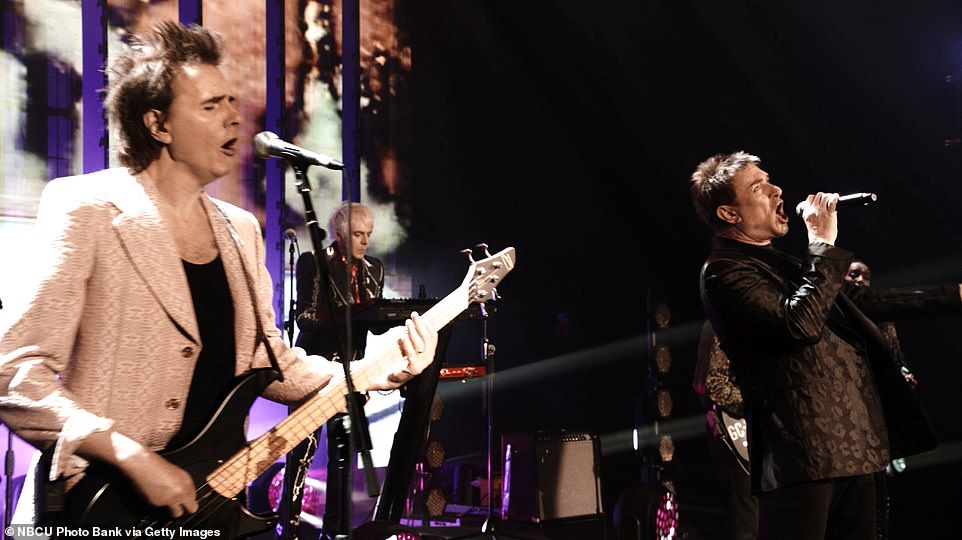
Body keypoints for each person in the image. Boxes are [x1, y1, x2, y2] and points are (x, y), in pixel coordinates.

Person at [0, 21, 436, 535]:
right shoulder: (86, 208)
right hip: (102, 506)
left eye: (232, 101)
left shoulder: (241, 231)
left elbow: (270, 365)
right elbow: (15, 375)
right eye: (211, 106)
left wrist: (373, 372)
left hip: (209, 504)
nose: (235, 117)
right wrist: (129, 454)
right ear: (158, 124)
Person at [689, 151, 961, 540]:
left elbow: (860, 304)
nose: (776, 188)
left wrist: (955, 296)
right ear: (730, 214)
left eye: (769, 179)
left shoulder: (778, 263)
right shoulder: (724, 271)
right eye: (758, 186)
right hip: (802, 455)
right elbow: (798, 324)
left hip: (851, 444)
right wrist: (820, 243)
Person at [292, 201, 384, 538]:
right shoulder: (315, 261)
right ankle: (289, 523)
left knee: (344, 456)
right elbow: (306, 317)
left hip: (352, 372)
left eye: (368, 235)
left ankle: (336, 528)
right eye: (358, 234)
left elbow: (374, 324)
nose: (365, 242)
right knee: (302, 450)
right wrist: (351, 314)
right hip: (315, 370)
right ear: (339, 234)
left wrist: (392, 316)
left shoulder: (374, 267)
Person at [693, 321, 758, 540]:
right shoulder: (722, 321)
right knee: (747, 517)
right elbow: (712, 384)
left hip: (758, 427)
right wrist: (756, 404)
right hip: (734, 425)